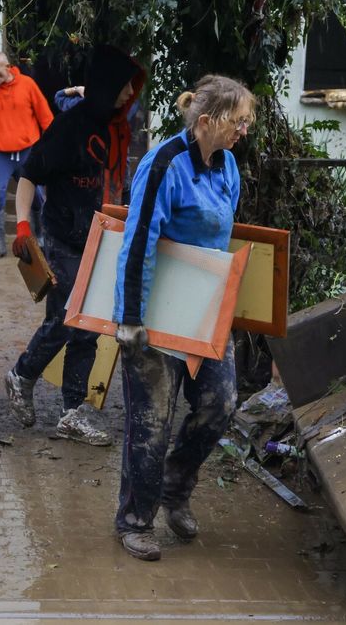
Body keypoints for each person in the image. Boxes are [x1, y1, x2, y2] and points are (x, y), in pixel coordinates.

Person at [111, 75, 256, 561]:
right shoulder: (165, 163)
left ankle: (175, 487)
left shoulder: (228, 164)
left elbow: (222, 242)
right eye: (238, 121)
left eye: (247, 121)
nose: (244, 129)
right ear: (208, 121)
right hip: (154, 313)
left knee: (221, 403)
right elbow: (138, 241)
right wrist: (129, 318)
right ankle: (135, 520)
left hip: (203, 310)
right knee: (151, 420)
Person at [3, 45, 145, 445]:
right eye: (122, 88)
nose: (127, 96)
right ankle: (22, 375)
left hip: (101, 240)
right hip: (63, 237)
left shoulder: (118, 128)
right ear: (103, 86)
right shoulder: (69, 129)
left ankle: (71, 412)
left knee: (89, 328)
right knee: (67, 318)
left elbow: (117, 184)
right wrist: (24, 228)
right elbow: (29, 176)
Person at [0, 51, 54, 259]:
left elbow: (46, 117)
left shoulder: (27, 85)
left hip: (28, 151)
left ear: (8, 65)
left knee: (38, 198)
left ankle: (40, 238)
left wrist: (47, 147)